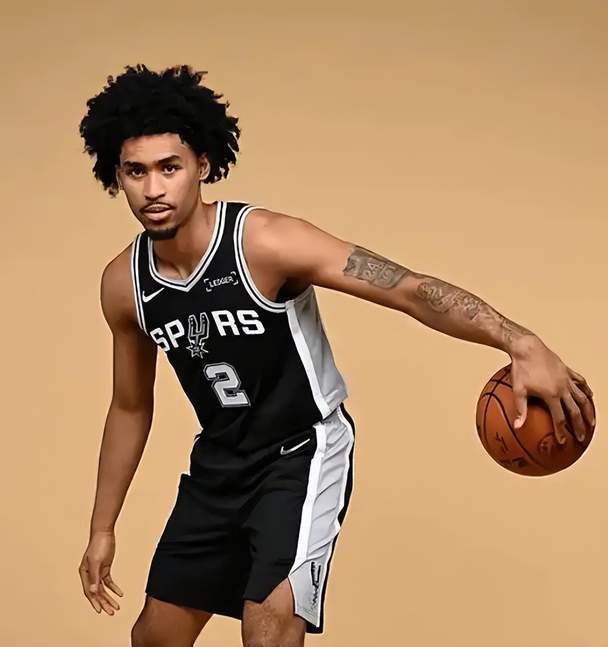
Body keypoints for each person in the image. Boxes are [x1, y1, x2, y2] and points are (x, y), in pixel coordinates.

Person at [77, 64, 594, 647]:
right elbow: (130, 407)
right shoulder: (125, 284)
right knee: (153, 639)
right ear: (116, 175)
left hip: (301, 452)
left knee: (268, 628)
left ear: (202, 164)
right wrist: (102, 527)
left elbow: (406, 288)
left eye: (169, 167)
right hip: (219, 463)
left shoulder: (264, 243)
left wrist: (519, 340)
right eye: (136, 171)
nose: (153, 189)